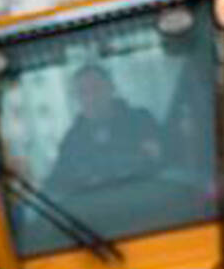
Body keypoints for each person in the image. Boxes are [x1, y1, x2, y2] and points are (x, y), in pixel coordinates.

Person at [49, 62, 162, 191]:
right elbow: (56, 185)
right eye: (83, 92)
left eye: (96, 89)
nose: (90, 98)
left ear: (111, 88)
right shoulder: (72, 139)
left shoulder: (140, 120)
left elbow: (160, 161)